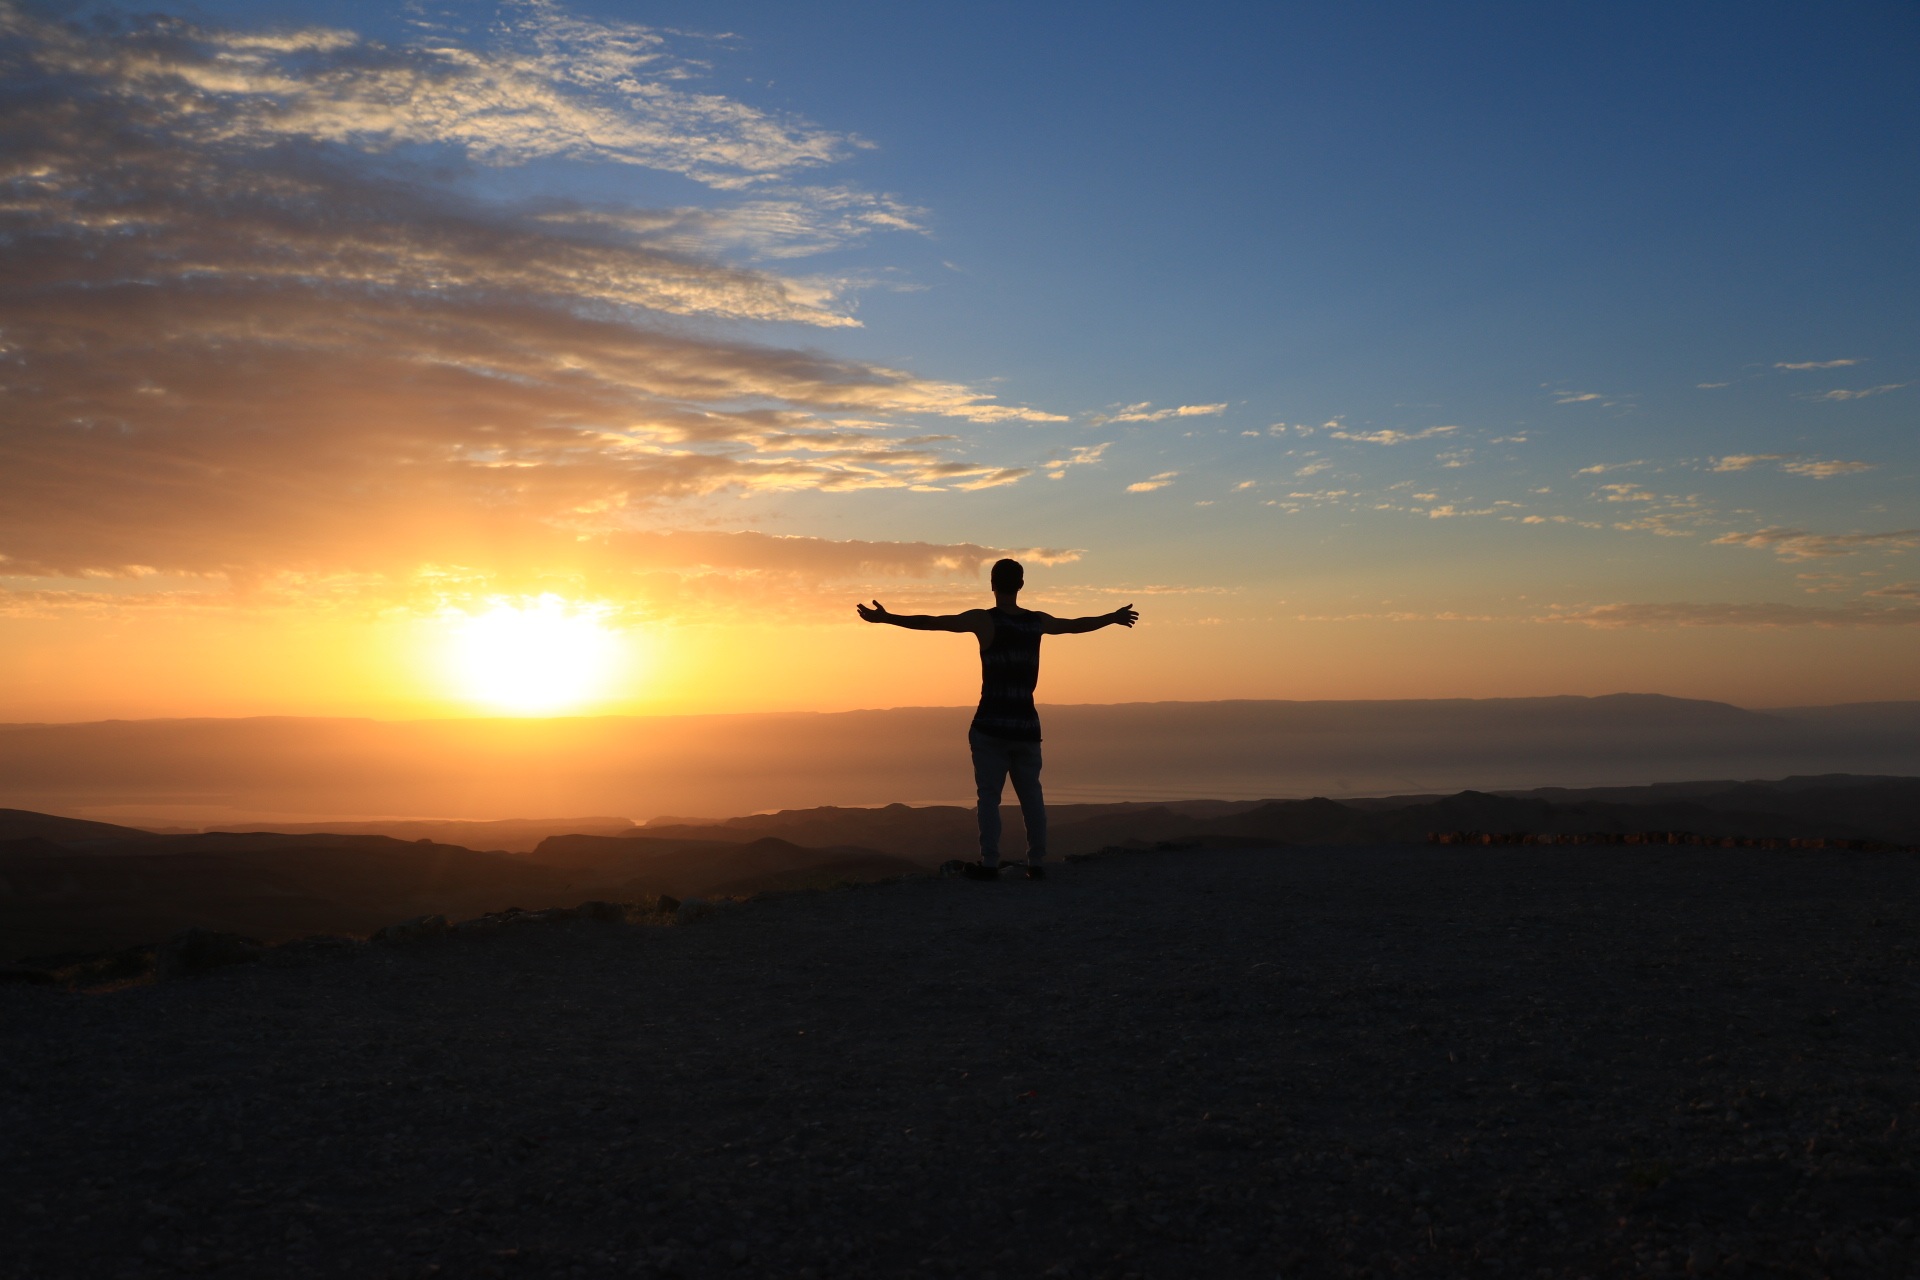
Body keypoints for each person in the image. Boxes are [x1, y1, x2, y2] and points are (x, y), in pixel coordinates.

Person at [856, 558, 1138, 880]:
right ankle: (1037, 863)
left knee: (988, 796)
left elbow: (935, 622)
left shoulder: (983, 621)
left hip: (990, 724)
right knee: (1031, 795)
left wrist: (888, 618)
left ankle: (989, 863)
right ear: (1020, 585)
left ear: (992, 584)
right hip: (1027, 726)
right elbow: (1074, 624)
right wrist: (1112, 618)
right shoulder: (1036, 622)